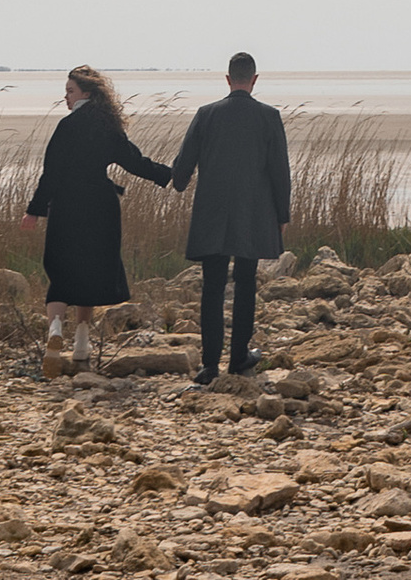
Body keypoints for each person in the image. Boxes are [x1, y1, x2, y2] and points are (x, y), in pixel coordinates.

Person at [21, 65, 172, 373]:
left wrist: (34, 210)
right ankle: (81, 345)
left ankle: (54, 331)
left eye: (70, 92)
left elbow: (50, 174)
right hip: (101, 208)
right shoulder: (107, 126)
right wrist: (169, 175)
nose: (65, 97)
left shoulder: (66, 126)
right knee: (89, 273)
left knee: (62, 272)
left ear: (85, 93)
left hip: (66, 206)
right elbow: (135, 162)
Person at [167, 52, 291, 385]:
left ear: (227, 79)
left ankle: (209, 365)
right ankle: (239, 358)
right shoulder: (269, 117)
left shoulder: (206, 115)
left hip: (212, 211)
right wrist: (282, 214)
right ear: (253, 80)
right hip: (253, 213)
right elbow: (280, 171)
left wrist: (177, 181)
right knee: (246, 284)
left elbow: (184, 164)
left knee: (212, 287)